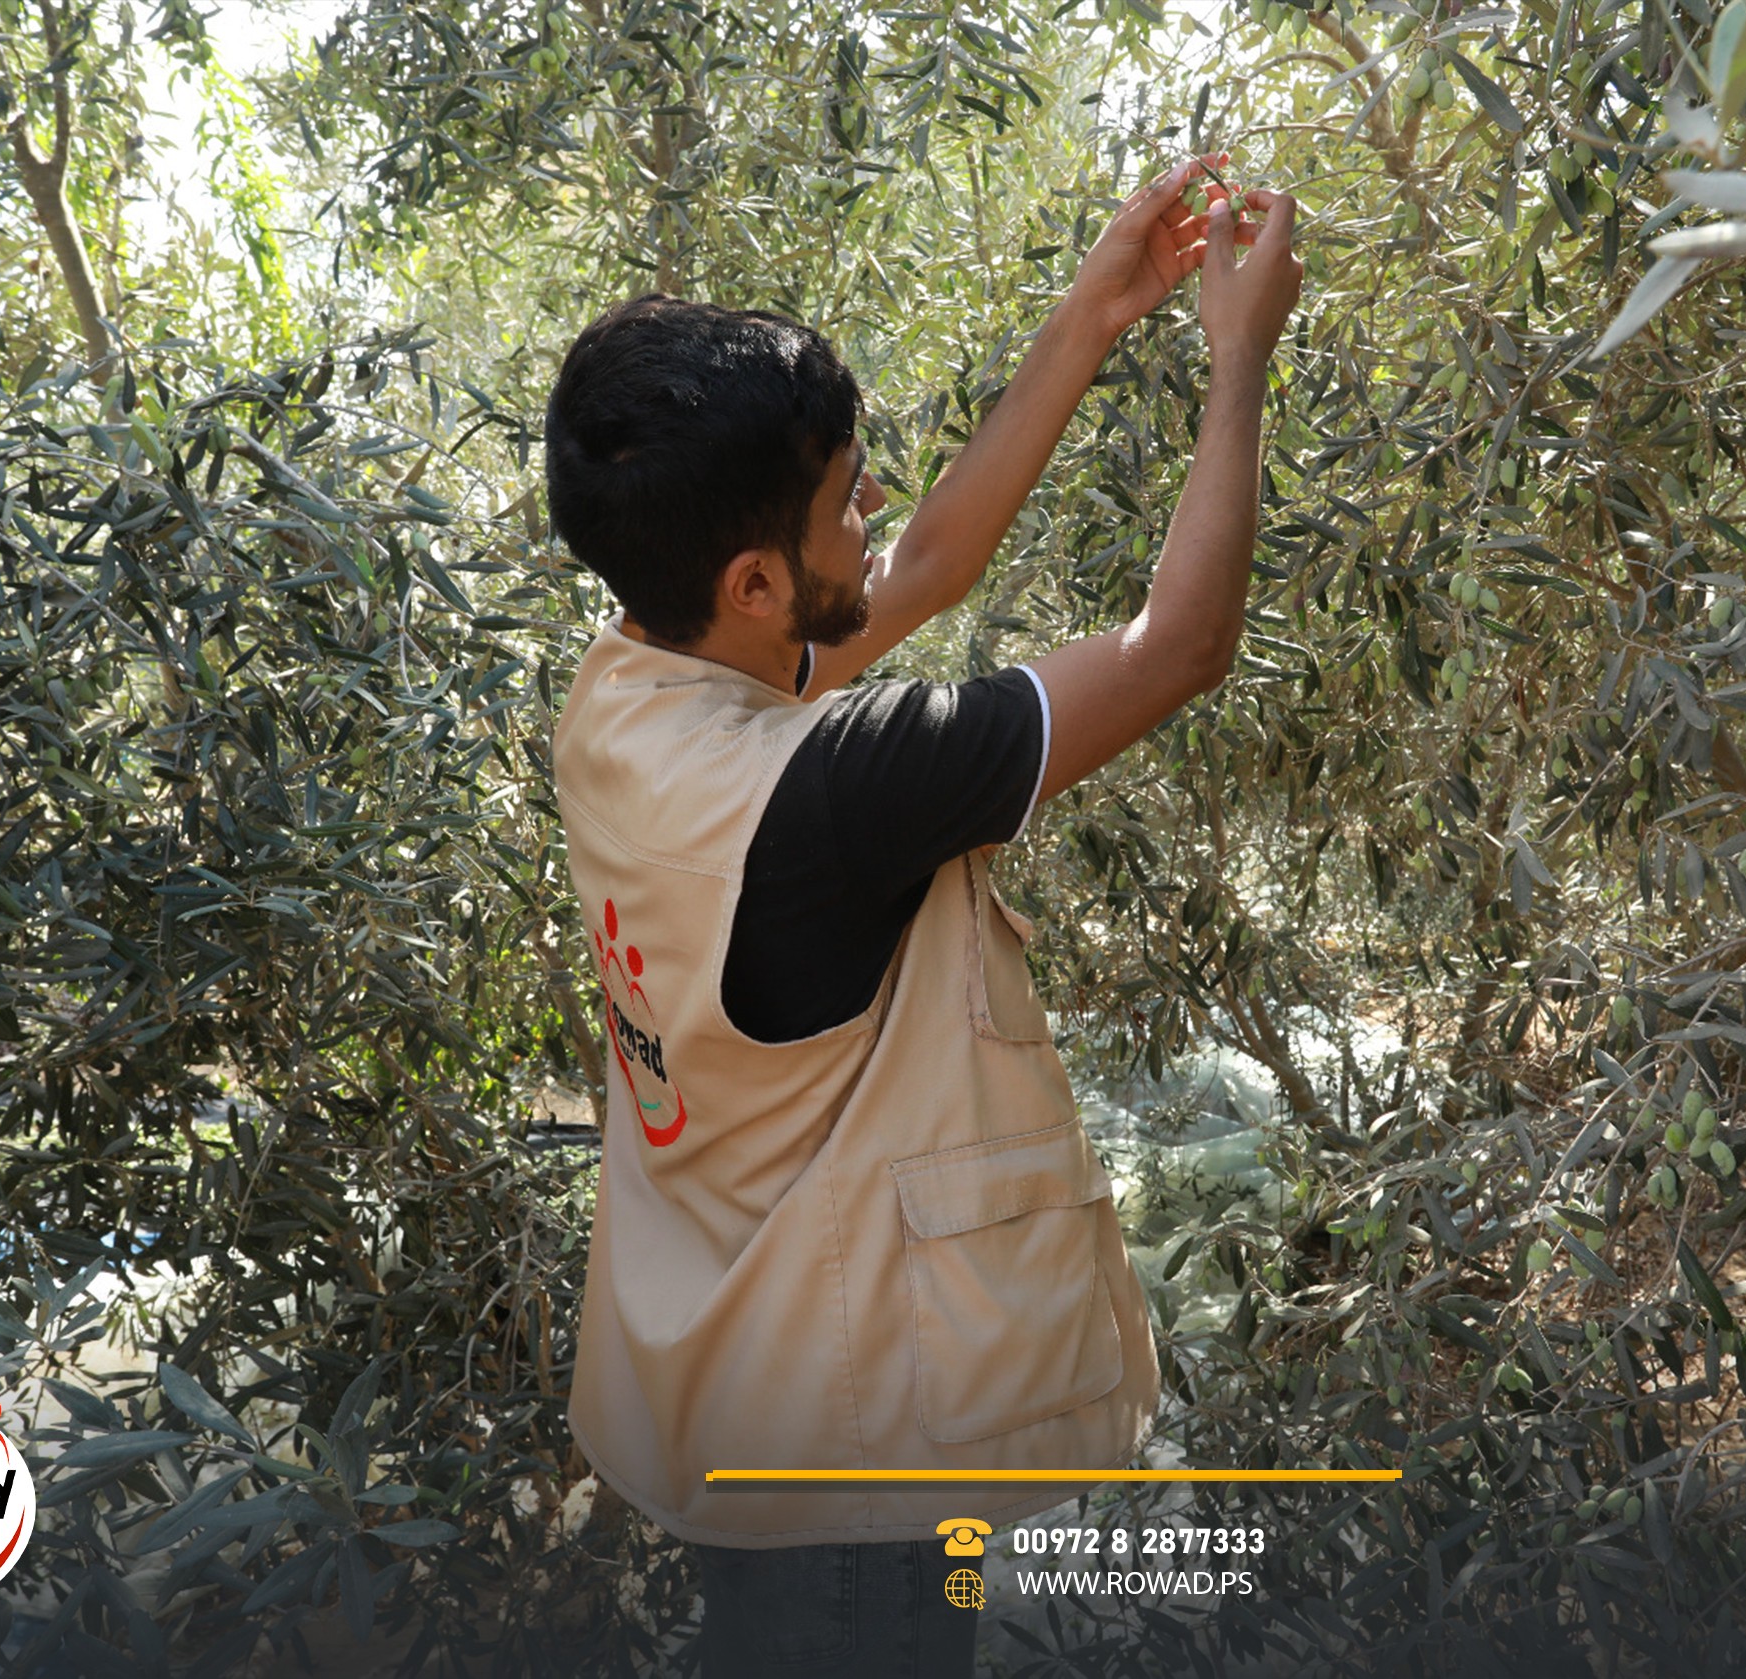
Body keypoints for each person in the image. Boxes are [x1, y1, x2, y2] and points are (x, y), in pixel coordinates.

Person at [541, 157, 1304, 1678]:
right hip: (854, 1475)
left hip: (742, 1401)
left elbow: (932, 566)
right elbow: (1180, 646)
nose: (873, 507)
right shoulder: (832, 796)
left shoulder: (629, 691)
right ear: (755, 583)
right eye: (846, 498)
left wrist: (1098, 312)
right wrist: (1238, 359)